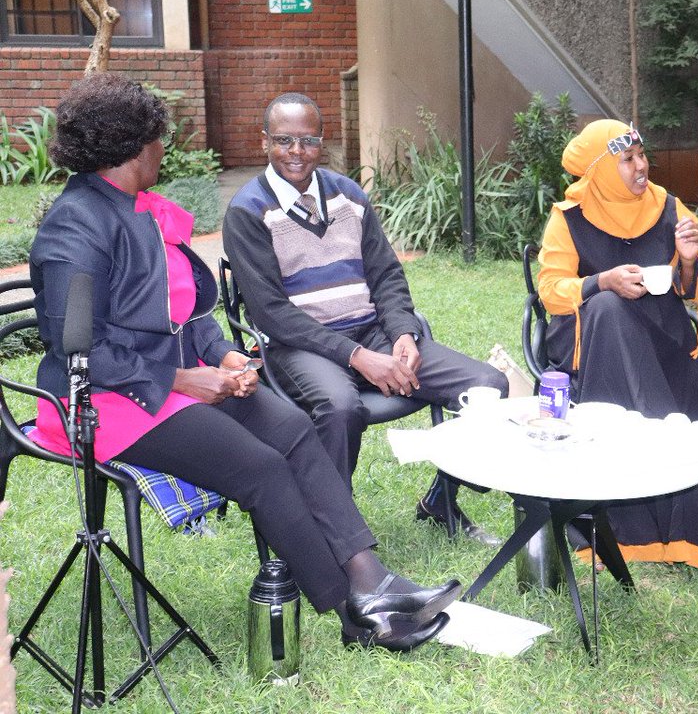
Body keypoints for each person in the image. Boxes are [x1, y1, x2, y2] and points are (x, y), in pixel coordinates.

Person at [29, 74, 460, 653]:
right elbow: (76, 347)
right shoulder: (76, 225)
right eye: (158, 138)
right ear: (133, 147)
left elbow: (186, 311)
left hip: (172, 379)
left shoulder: (142, 209)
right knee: (261, 467)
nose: (164, 148)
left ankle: (371, 579)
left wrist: (222, 354)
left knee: (293, 429)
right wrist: (183, 379)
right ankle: (354, 612)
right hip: (106, 401)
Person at [223, 93, 507, 546]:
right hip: (299, 346)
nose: (296, 152)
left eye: (308, 141)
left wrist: (404, 335)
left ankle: (440, 499)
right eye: (284, 140)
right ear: (264, 143)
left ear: (322, 143)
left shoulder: (349, 195)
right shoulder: (247, 211)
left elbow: (386, 274)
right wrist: (357, 358)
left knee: (487, 385)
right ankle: (336, 535)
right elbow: (272, 314)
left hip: (371, 331)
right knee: (340, 407)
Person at [537, 119, 698, 571]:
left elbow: (692, 287)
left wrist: (686, 261)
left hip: (659, 336)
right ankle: (623, 511)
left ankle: (674, 511)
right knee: (609, 309)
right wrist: (600, 282)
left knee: (659, 334)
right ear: (602, 170)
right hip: (593, 339)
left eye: (642, 155)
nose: (641, 166)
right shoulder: (568, 217)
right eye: (628, 159)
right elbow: (550, 289)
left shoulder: (669, 207)